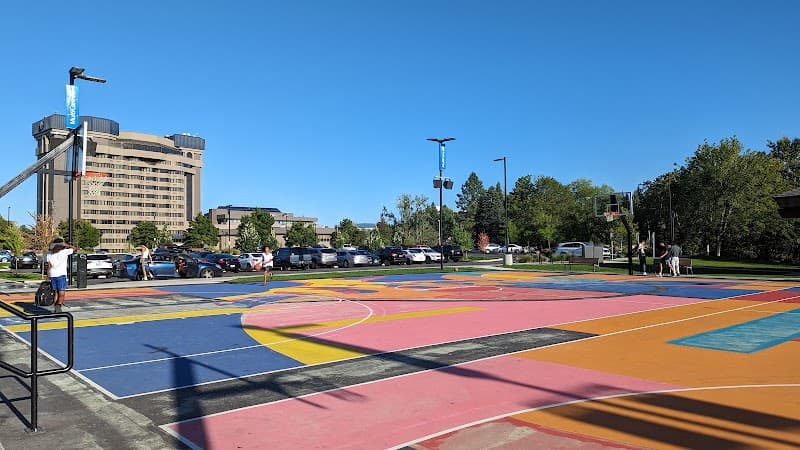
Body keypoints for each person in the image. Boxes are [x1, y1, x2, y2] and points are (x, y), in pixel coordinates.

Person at [46, 239, 77, 313]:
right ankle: (57, 306)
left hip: (57, 275)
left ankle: (57, 306)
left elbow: (49, 266)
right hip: (57, 275)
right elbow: (75, 249)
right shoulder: (54, 254)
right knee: (59, 292)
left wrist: (48, 275)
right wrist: (67, 245)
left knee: (58, 292)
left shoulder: (57, 253)